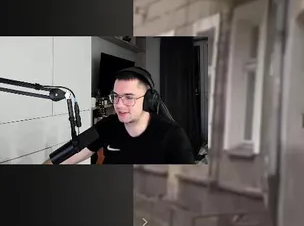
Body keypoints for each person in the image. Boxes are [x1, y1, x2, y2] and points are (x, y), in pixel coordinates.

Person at [48, 68, 195, 165]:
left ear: (147, 100)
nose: (119, 104)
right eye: (116, 96)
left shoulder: (173, 136)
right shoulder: (107, 126)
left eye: (129, 97)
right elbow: (63, 158)